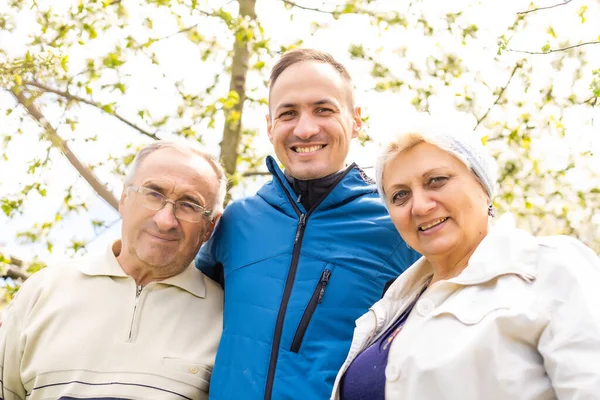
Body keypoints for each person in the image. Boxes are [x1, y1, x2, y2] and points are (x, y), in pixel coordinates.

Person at [196, 48, 420, 400]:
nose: (305, 128)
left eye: (323, 110)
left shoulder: (396, 225)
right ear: (270, 127)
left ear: (356, 120)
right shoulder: (236, 223)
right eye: (288, 113)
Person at [331, 124, 600, 399]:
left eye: (436, 180)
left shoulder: (550, 268)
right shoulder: (393, 306)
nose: (420, 206)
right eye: (400, 195)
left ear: (483, 187)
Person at [0, 140, 227, 400]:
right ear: (124, 198)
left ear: (210, 226)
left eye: (189, 205)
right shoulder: (43, 291)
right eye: (153, 194)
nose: (165, 221)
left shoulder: (227, 317)